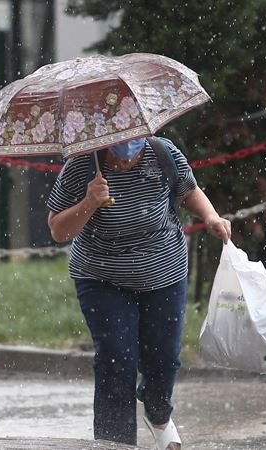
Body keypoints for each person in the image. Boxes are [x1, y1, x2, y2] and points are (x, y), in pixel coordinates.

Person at [46, 136, 231, 450]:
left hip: (164, 272)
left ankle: (158, 412)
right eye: (120, 142)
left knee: (164, 359)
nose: (127, 151)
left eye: (135, 141)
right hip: (102, 277)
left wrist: (210, 216)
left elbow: (189, 190)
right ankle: (114, 443)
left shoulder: (162, 152)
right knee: (117, 358)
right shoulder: (82, 165)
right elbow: (58, 230)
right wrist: (90, 201)